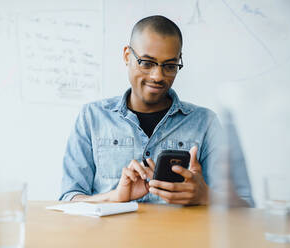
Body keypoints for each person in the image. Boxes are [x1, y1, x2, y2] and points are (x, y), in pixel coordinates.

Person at [59, 15, 254, 206]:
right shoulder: (92, 117)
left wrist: (206, 196)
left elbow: (246, 205)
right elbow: (69, 199)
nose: (157, 76)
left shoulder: (206, 123)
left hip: (181, 238)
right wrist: (114, 196)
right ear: (127, 56)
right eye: (147, 63)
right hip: (109, 238)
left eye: (169, 66)